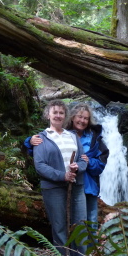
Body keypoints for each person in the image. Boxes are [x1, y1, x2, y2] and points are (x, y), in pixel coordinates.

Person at [25, 102, 109, 247]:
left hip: (87, 185)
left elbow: (100, 163)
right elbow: (42, 154)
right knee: (64, 223)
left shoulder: (93, 137)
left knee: (88, 224)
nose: (82, 121)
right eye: (79, 117)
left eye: (86, 118)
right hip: (65, 184)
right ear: (72, 117)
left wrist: (87, 163)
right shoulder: (59, 134)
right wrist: (29, 141)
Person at [31, 100, 88, 256]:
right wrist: (62, 176)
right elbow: (40, 166)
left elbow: (84, 159)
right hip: (53, 189)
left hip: (76, 187)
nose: (58, 115)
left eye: (61, 113)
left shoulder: (73, 136)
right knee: (60, 226)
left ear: (65, 116)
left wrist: (79, 166)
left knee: (81, 225)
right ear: (48, 115)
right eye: (54, 112)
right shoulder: (41, 138)